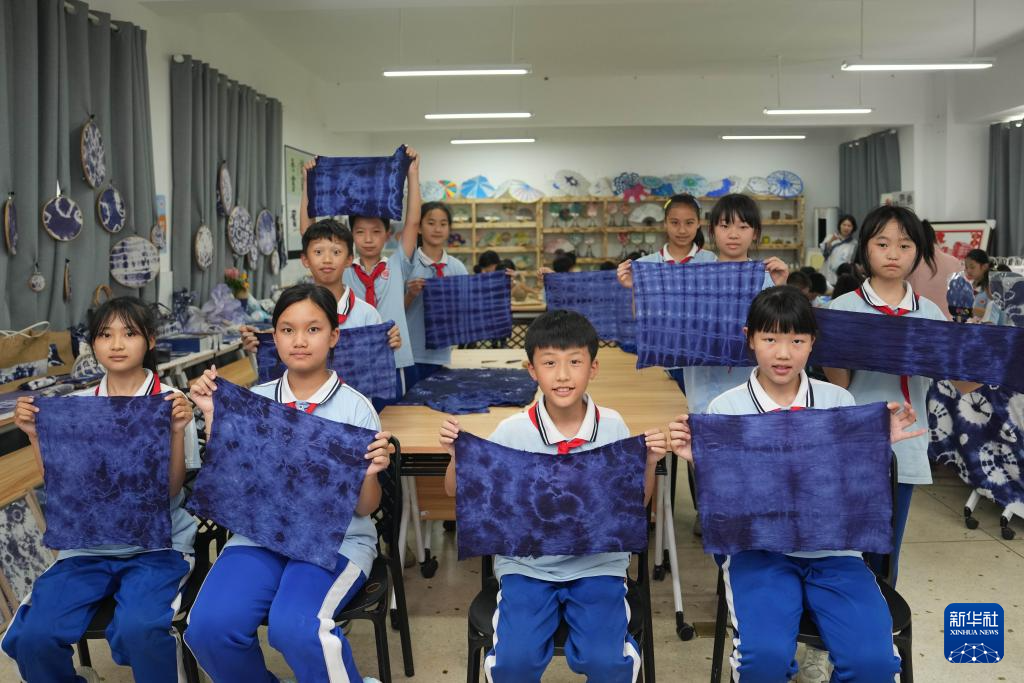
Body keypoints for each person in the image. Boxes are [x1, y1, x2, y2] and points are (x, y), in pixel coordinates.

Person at [668, 285, 920, 683]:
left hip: (835, 552)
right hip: (759, 553)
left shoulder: (838, 401)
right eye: (770, 339)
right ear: (750, 338)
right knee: (763, 660)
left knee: (873, 664)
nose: (783, 353)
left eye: (797, 341)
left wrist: (871, 446)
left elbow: (853, 492)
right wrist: (703, 461)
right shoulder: (726, 408)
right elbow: (725, 504)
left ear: (812, 342)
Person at [439, 310, 667, 683]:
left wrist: (650, 463)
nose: (562, 375)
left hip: (597, 565)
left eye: (575, 362)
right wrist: (456, 457)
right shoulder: (511, 431)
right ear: (532, 370)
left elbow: (633, 506)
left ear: (593, 368)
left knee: (606, 662)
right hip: (526, 567)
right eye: (549, 363)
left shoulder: (613, 426)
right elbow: (458, 493)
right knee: (515, 663)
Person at [184, 284, 393, 683]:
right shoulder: (256, 399)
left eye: (313, 329)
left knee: (295, 626)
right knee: (208, 627)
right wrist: (213, 416)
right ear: (274, 336)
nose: (299, 340)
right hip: (261, 535)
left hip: (335, 543)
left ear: (334, 336)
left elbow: (366, 508)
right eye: (287, 329)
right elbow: (234, 481)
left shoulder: (356, 408)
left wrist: (368, 473)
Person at [5, 297, 198, 683]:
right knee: (31, 637)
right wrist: (34, 435)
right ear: (92, 343)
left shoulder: (171, 404)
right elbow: (61, 483)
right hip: (85, 549)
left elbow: (171, 489)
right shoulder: (75, 407)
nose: (117, 344)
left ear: (151, 340)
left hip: (156, 548)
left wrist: (177, 432)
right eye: (105, 335)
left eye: (130, 333)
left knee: (139, 630)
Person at [825, 205, 981, 583]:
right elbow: (838, 386)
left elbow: (962, 383)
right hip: (851, 442)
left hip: (907, 445)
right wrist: (832, 348)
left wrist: (991, 356)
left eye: (905, 245)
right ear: (865, 248)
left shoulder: (930, 314)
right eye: (882, 244)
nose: (893, 254)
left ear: (918, 253)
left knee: (887, 552)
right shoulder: (842, 309)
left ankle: (882, 618)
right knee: (844, 547)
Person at [299, 147, 421, 401]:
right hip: (351, 361)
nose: (368, 239)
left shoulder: (397, 265)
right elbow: (309, 236)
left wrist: (412, 174)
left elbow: (413, 222)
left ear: (387, 235)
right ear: (351, 236)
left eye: (376, 232)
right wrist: (307, 185)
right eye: (360, 232)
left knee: (392, 416)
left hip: (393, 355)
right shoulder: (342, 268)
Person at [239, 218, 402, 357]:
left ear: (349, 260)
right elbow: (283, 361)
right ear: (305, 260)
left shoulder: (367, 315)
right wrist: (260, 347)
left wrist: (389, 344)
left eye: (336, 252)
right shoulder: (291, 312)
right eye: (318, 252)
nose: (327, 260)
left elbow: (376, 364)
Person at [403, 201, 469, 388]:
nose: (437, 229)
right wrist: (410, 295)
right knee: (410, 403)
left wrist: (501, 285)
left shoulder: (456, 267)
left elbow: (467, 309)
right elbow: (390, 313)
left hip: (443, 353)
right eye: (431, 223)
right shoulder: (405, 265)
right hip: (410, 354)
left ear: (449, 229)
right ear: (419, 228)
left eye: (443, 223)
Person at [615, 194, 716, 288]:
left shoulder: (712, 261)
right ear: (665, 223)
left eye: (689, 223)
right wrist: (633, 286)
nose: (682, 230)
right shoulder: (644, 265)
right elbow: (640, 302)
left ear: (698, 223)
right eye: (674, 222)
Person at [906, 220, 963, 320]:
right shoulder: (954, 262)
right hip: (947, 322)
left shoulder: (908, 261)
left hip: (915, 321)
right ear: (934, 237)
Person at [820, 214, 858, 286]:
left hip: (843, 274)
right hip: (828, 271)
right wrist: (831, 240)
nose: (846, 228)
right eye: (844, 225)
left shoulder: (854, 243)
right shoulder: (830, 237)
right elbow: (824, 253)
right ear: (840, 225)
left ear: (853, 228)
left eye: (849, 226)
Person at [963, 248, 993, 320]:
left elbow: (992, 313)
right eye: (966, 267)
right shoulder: (967, 285)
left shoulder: (990, 288)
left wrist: (967, 310)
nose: (968, 270)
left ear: (984, 267)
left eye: (972, 267)